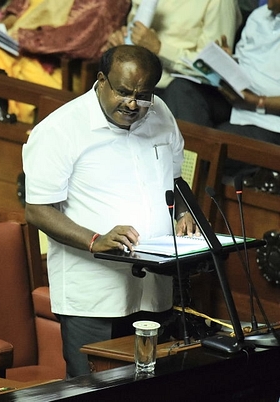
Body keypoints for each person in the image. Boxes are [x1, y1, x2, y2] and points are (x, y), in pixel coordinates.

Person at [22, 45, 198, 378]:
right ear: (102, 80)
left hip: (154, 287)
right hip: (94, 294)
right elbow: (37, 210)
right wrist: (94, 239)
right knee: (95, 388)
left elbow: (175, 181)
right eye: (123, 92)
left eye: (143, 95)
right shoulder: (61, 129)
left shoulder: (160, 113)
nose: (133, 104)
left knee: (152, 384)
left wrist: (183, 214)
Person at [0, 0, 132, 124]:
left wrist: (22, 38)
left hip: (56, 69)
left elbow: (82, 40)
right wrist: (1, 23)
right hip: (15, 48)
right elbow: (20, 10)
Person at [163, 1, 279, 146]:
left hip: (269, 119)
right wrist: (228, 63)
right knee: (181, 90)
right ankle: (186, 160)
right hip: (235, 99)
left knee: (216, 142)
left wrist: (257, 102)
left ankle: (192, 161)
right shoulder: (259, 16)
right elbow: (249, 61)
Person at [103, 0, 240, 97]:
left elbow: (215, 71)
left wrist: (160, 49)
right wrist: (120, 44)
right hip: (132, 82)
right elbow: (133, 31)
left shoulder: (220, 2)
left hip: (175, 91)